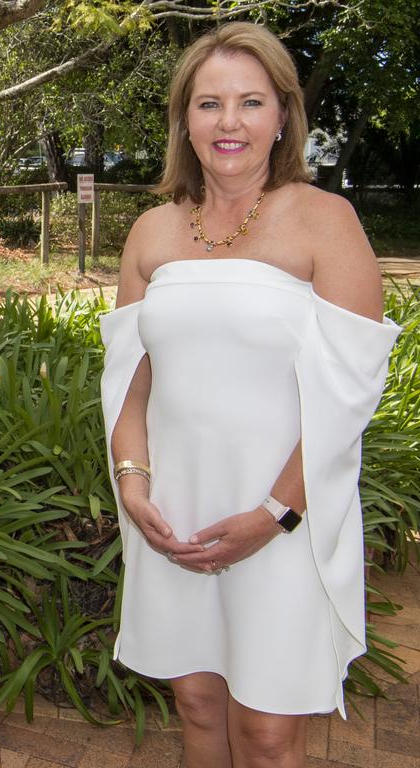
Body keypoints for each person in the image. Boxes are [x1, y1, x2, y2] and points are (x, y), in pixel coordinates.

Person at [100, 22, 400, 768]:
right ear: (184, 121)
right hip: (178, 516)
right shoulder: (150, 232)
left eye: (250, 101)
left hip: (284, 517)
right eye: (209, 104)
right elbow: (131, 384)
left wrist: (275, 514)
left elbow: (350, 394)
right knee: (199, 709)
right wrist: (133, 488)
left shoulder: (327, 223)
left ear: (283, 116)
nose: (228, 122)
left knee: (269, 736)